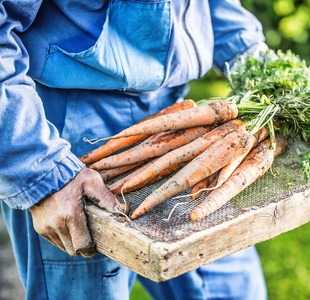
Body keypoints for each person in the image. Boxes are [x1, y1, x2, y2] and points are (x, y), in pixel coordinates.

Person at [0, 0, 269, 299]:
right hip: (66, 141)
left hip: (183, 122)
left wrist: (257, 61)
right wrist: (40, 167)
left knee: (232, 289)